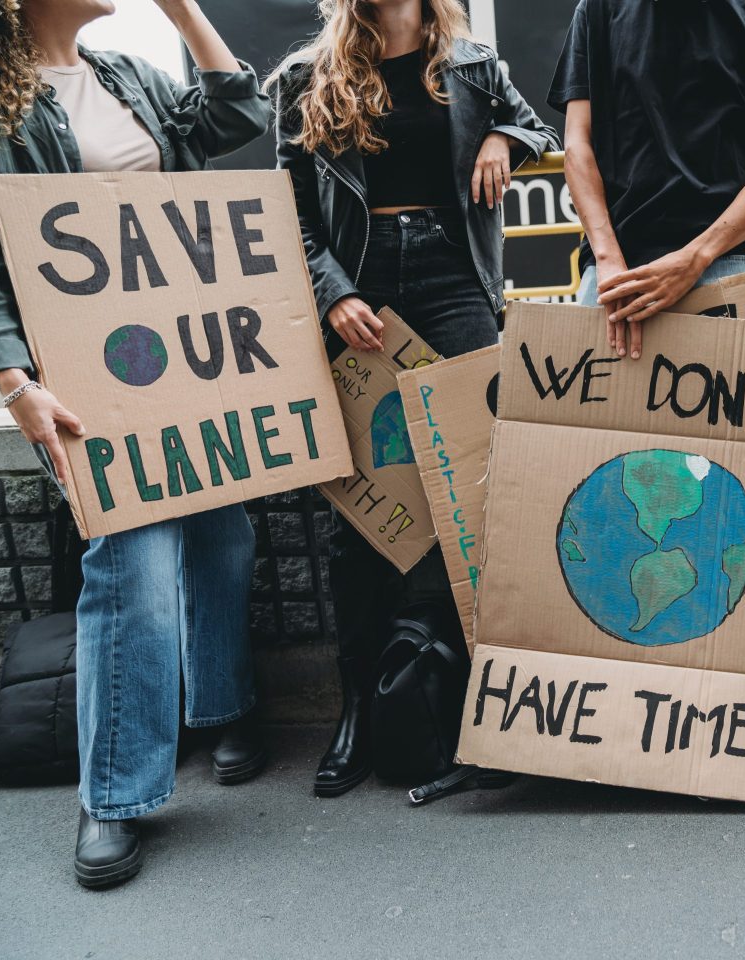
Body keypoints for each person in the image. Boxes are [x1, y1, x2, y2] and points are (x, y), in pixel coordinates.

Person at [0, 0, 270, 887]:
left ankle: (222, 708)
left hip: (184, 354)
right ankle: (113, 794)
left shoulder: (128, 75)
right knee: (130, 565)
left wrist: (184, 10)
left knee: (223, 526)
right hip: (85, 372)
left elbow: (238, 114)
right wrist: (13, 381)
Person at [268, 0, 559, 797]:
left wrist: (506, 136)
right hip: (360, 288)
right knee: (360, 507)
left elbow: (546, 131)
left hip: (455, 278)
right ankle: (360, 708)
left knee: (476, 487)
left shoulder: (471, 66)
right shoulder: (305, 76)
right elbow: (287, 211)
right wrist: (329, 292)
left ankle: (472, 703)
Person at [550, 0, 745, 361]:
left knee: (731, 416)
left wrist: (696, 258)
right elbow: (577, 147)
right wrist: (608, 257)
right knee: (566, 415)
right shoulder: (597, 10)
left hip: (722, 258)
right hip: (616, 266)